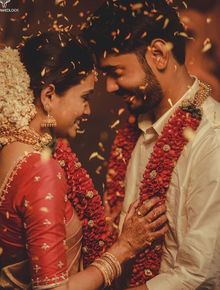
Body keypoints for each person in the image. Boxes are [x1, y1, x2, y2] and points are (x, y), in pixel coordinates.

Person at [0, 31, 168, 290]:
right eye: (85, 97)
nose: (88, 110)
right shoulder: (42, 169)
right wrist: (124, 247)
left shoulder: (6, 147)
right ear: (49, 96)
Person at [83, 0, 220, 289]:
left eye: (116, 72)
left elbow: (199, 274)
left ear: (158, 54)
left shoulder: (212, 139)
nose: (108, 88)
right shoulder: (137, 126)